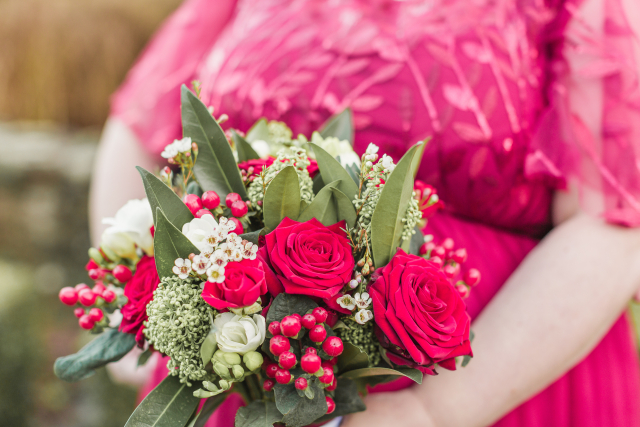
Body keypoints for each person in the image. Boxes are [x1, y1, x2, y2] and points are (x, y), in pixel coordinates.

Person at [90, 0, 640, 425]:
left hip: (496, 391)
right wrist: (137, 322)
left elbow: (612, 218)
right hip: (244, 381)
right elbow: (143, 122)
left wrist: (432, 413)